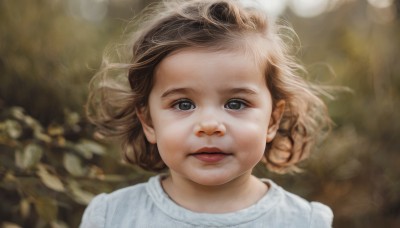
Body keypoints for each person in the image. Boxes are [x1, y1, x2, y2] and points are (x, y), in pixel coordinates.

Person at [80, 0, 333, 227]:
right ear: (148, 122)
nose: (210, 125)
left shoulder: (304, 221)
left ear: (272, 120)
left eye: (235, 104)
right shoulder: (112, 217)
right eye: (183, 104)